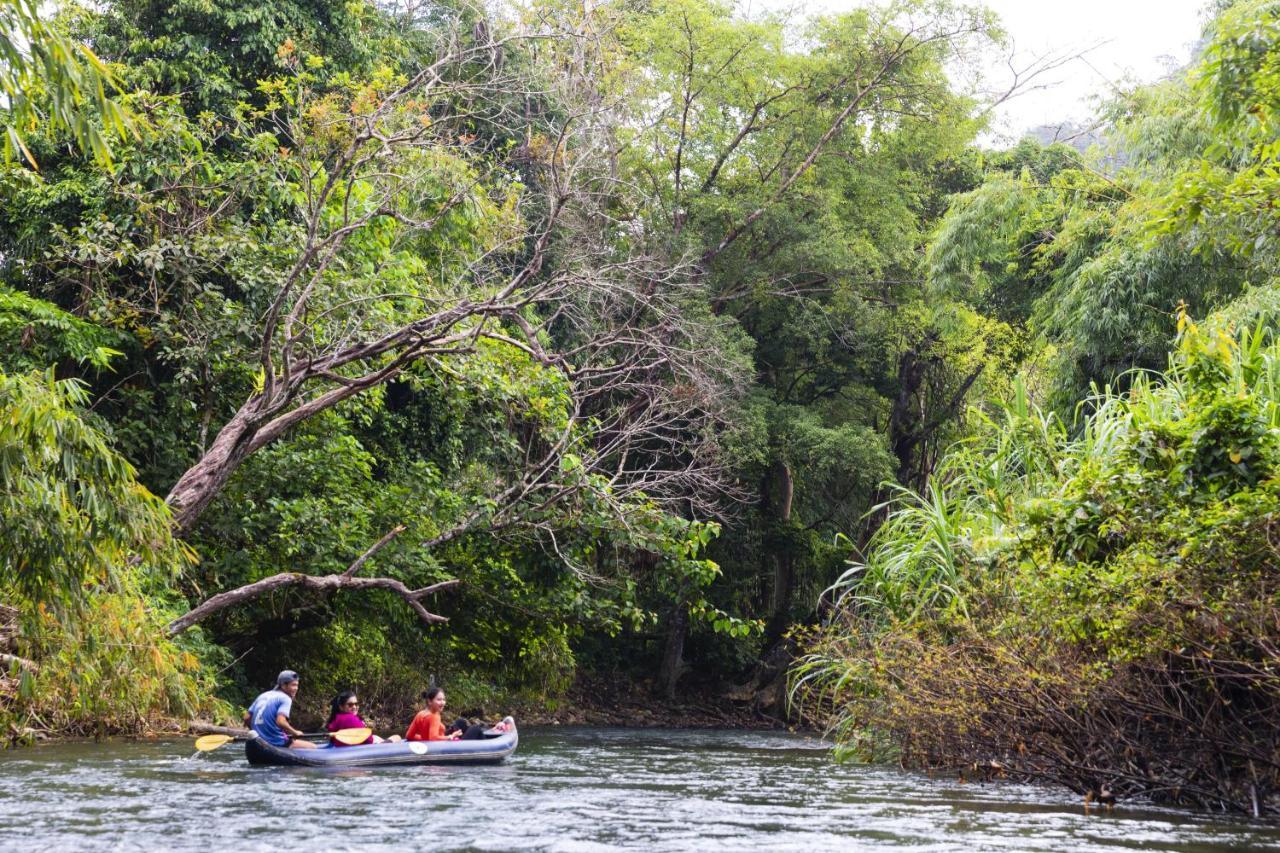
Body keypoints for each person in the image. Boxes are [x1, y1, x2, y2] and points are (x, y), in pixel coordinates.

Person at [405, 686, 512, 741]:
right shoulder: (434, 716)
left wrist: (424, 740)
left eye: (443, 699)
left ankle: (491, 731)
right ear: (429, 701)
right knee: (476, 729)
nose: (443, 703)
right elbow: (433, 739)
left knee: (460, 722)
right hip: (444, 745)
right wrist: (450, 737)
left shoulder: (420, 714)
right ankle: (489, 743)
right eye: (439, 700)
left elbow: (409, 736)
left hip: (440, 740)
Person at [244, 670, 317, 750]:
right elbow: (281, 722)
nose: (296, 688)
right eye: (293, 685)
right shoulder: (285, 698)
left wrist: (257, 734)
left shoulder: (263, 695)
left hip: (259, 740)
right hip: (276, 742)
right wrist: (295, 732)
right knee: (313, 747)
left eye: (297, 685)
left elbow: (247, 718)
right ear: (283, 685)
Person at [325, 691, 401, 747]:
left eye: (356, 704)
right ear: (341, 707)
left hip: (350, 746)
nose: (354, 707)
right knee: (397, 737)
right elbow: (369, 740)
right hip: (368, 748)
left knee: (379, 737)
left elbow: (333, 742)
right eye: (350, 705)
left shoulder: (337, 718)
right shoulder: (350, 719)